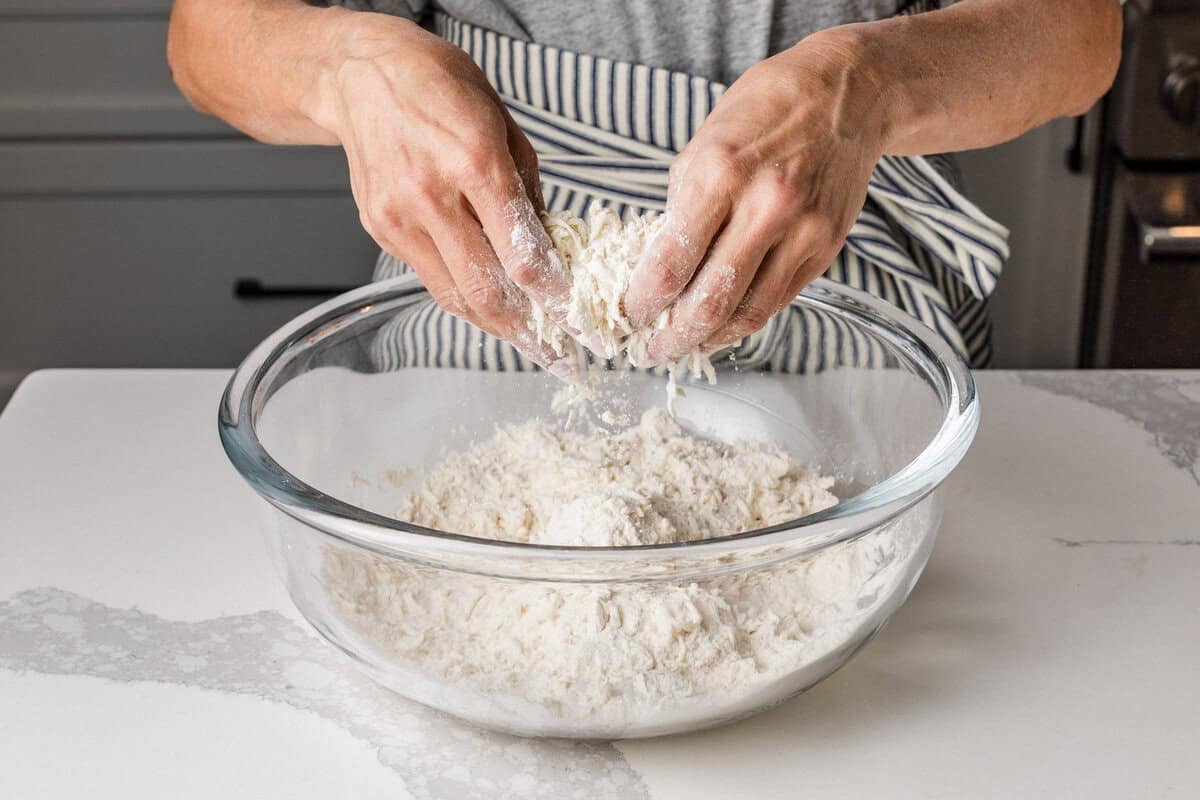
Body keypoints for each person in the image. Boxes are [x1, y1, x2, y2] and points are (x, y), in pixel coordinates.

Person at [167, 0, 1121, 374]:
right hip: (490, 250)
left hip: (837, 235)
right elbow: (205, 38)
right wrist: (350, 65)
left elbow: (1079, 36)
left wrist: (862, 86)